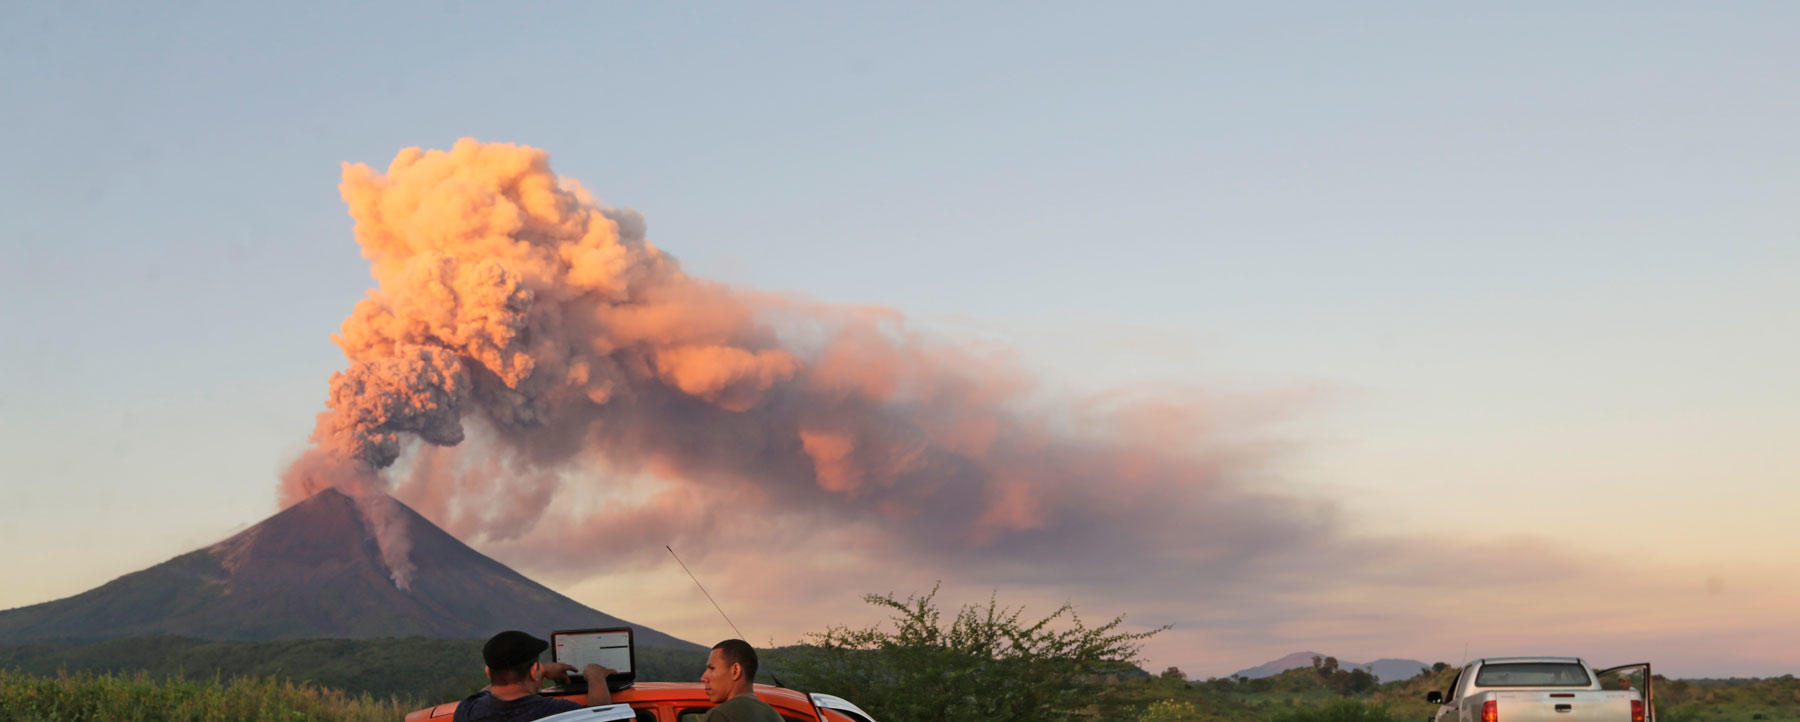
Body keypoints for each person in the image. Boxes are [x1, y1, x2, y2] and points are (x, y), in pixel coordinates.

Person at [454, 630, 615, 722]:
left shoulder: (467, 711)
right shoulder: (556, 712)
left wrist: (541, 670)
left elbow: (486, 693)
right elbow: (602, 718)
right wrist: (596, 677)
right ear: (533, 671)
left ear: (488, 672)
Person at [699, 639, 781, 722]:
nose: (703, 678)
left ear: (735, 671)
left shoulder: (721, 715)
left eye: (712, 668)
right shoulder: (773, 715)